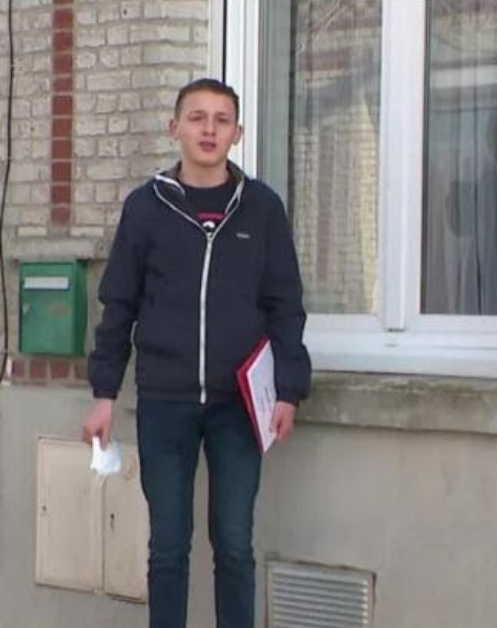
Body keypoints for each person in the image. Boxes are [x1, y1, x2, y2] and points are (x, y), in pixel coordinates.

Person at [80, 78, 312, 628]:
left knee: (234, 543)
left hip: (238, 407)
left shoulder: (261, 209)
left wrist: (290, 390)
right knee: (167, 547)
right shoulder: (146, 208)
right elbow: (118, 305)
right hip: (165, 402)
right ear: (175, 128)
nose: (209, 129)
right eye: (198, 117)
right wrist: (104, 394)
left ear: (238, 133)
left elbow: (285, 305)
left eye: (222, 119)